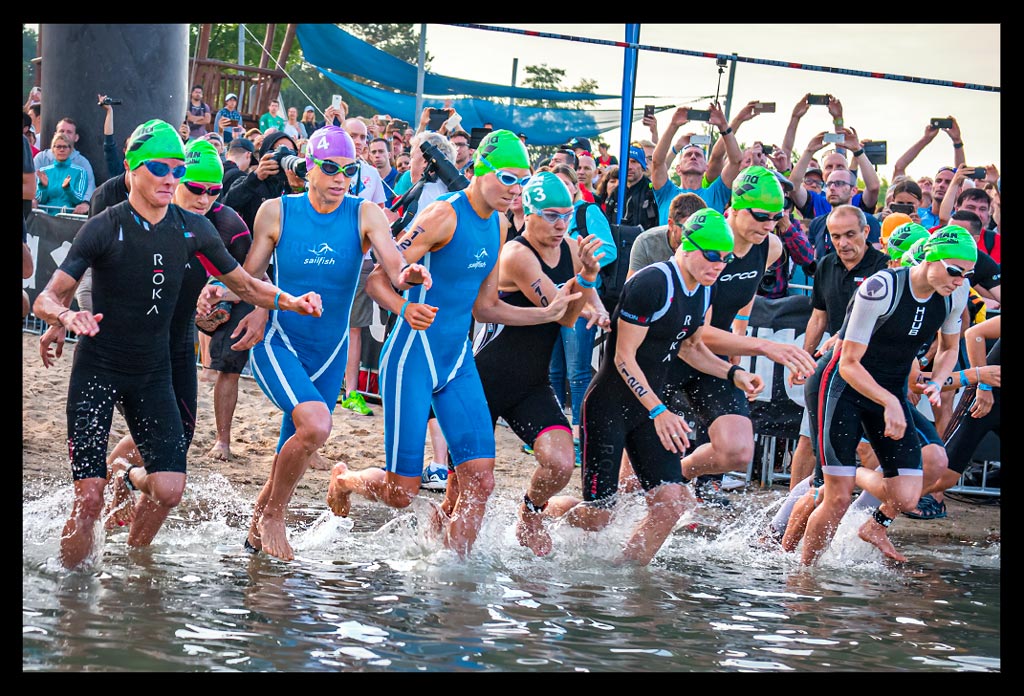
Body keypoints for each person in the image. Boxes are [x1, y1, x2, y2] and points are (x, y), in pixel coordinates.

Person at [31, 118, 322, 569]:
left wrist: (290, 302)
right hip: (99, 368)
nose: (171, 179)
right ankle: (73, 612)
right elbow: (49, 295)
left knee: (169, 488)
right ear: (131, 168)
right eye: (160, 169)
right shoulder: (104, 226)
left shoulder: (195, 229)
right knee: (88, 501)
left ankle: (132, 550)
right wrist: (64, 316)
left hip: (153, 372)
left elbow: (244, 284)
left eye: (177, 170)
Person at [327, 129, 581, 558]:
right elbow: (376, 279)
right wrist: (403, 308)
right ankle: (344, 480)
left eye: (521, 180)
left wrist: (545, 313)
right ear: (479, 170)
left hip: (457, 360)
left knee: (481, 478)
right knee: (401, 492)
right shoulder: (443, 216)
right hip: (413, 357)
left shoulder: (498, 225)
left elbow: (484, 307)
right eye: (506, 177)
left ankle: (453, 572)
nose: (514, 190)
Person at [215, 126, 431, 562]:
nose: (340, 178)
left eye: (349, 170)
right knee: (315, 426)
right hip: (279, 340)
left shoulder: (365, 213)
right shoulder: (275, 212)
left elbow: (393, 265)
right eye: (330, 168)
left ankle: (253, 542)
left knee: (292, 448)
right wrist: (218, 293)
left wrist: (409, 276)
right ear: (309, 169)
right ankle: (276, 516)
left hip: (330, 353)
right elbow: (249, 276)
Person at [544, 209, 763, 566]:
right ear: (686, 246)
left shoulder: (701, 289)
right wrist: (659, 410)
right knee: (599, 516)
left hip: (647, 409)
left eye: (725, 258)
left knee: (671, 502)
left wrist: (731, 374)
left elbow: (691, 348)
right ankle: (542, 514)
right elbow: (622, 359)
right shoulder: (652, 284)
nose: (718, 265)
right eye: (711, 256)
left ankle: (624, 573)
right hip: (610, 406)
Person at [448, 172, 606, 555]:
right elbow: (561, 315)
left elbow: (585, 297)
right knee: (458, 499)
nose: (560, 225)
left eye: (566, 215)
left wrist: (598, 308)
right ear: (528, 213)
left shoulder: (567, 247)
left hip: (531, 384)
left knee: (561, 464)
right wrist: (586, 277)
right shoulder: (517, 254)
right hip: (482, 383)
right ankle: (347, 483)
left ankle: (531, 512)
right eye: (551, 215)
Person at [800, 227, 975, 565]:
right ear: (929, 258)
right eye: (954, 271)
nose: (959, 280)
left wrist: (938, 381)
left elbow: (951, 347)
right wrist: (891, 401)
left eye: (966, 274)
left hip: (888, 388)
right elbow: (848, 363)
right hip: (843, 386)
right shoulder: (881, 288)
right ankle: (804, 577)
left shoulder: (956, 293)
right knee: (836, 498)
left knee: (907, 496)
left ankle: (858, 498)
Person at [547, 164, 616, 460]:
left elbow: (609, 249)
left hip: (581, 298)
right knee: (552, 371)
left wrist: (582, 259)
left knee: (577, 373)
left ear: (575, 188)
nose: (560, 192)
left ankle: (580, 439)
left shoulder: (586, 212)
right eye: (554, 187)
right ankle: (554, 434)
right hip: (550, 298)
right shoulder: (546, 218)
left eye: (565, 185)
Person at [338, 117, 388, 417]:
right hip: (328, 257)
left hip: (362, 260)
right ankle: (325, 385)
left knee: (355, 327)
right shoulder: (326, 169)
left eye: (363, 137)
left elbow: (380, 217)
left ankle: (351, 391)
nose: (359, 141)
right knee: (321, 320)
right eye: (353, 135)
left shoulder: (370, 174)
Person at [650, 102, 744, 218]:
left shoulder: (716, 193)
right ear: (678, 168)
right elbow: (657, 162)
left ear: (706, 167)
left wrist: (723, 125)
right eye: (688, 154)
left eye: (698, 155)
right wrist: (673, 125)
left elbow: (736, 162)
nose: (693, 156)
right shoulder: (666, 192)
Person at [223, 130, 302, 232]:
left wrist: (299, 190)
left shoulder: (296, 184)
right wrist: (256, 177)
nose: (285, 156)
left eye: (290, 152)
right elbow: (226, 206)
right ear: (265, 153)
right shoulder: (250, 181)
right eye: (278, 151)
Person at [33, 117, 96, 214]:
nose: (64, 134)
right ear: (55, 135)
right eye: (61, 131)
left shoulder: (82, 164)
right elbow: (32, 184)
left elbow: (90, 186)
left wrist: (85, 202)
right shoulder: (41, 159)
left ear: (76, 137)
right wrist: (34, 198)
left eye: (69, 132)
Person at [603, 146, 659, 230]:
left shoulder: (651, 191)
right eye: (626, 161)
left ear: (643, 166)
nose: (629, 167)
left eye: (634, 162)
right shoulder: (616, 192)